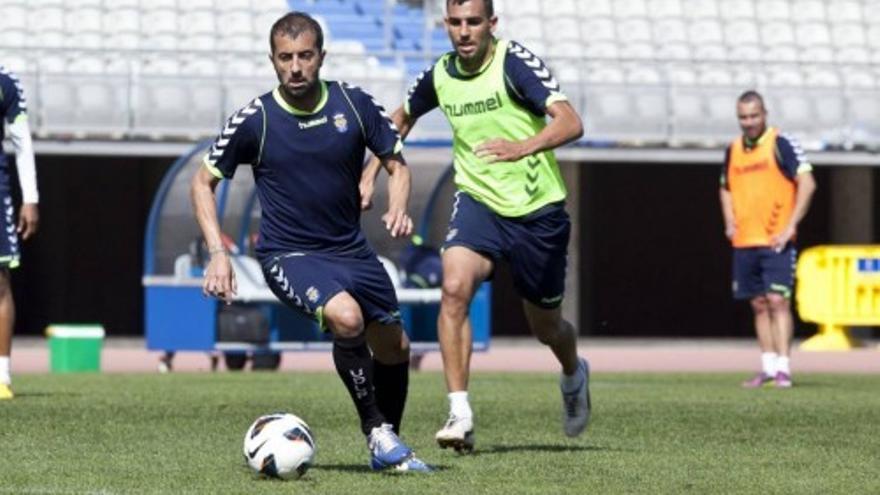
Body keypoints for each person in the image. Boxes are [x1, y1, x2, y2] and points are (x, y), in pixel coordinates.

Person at [190, 12, 430, 472]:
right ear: (273, 60)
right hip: (289, 254)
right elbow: (202, 183)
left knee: (396, 347)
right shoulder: (255, 119)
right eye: (286, 58)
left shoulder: (354, 104)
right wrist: (218, 253)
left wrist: (398, 205)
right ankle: (377, 432)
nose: (295, 67)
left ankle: (387, 447)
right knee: (346, 316)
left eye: (305, 56)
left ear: (321, 56)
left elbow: (397, 164)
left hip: (352, 251)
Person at [361, 0, 590, 452]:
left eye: (473, 22)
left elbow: (571, 122)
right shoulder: (439, 74)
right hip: (478, 201)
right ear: (445, 24)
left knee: (546, 327)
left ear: (491, 24)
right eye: (455, 22)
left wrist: (523, 146)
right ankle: (460, 412)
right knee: (454, 288)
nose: (464, 32)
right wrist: (370, 171)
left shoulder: (515, 63)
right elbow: (400, 119)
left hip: (536, 210)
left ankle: (572, 372)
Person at [719, 90, 816, 389]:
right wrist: (729, 221)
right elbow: (725, 186)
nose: (748, 122)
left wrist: (790, 227)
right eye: (743, 117)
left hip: (776, 239)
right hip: (745, 240)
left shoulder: (781, 143)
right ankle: (768, 368)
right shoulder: (733, 149)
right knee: (759, 304)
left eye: (753, 116)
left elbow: (808, 183)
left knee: (778, 301)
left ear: (765, 114)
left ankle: (785, 369)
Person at [0, 65, 39, 400]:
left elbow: (21, 140)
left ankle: (2, 377)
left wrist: (31, 198)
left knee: (0, 283)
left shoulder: (6, 82)